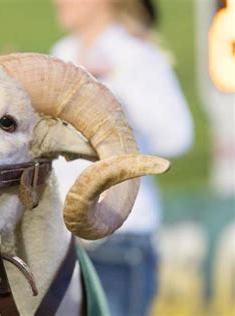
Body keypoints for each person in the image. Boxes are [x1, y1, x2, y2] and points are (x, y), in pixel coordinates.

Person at [51, 0, 194, 315]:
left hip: (119, 239)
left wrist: (115, 89)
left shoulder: (136, 55)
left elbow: (177, 135)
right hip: (62, 244)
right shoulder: (62, 51)